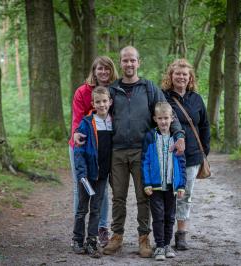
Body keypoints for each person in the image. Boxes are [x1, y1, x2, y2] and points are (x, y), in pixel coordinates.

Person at [76, 46, 185, 257]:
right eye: (125, 61)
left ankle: (144, 238)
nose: (129, 64)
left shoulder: (148, 87)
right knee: (118, 197)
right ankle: (117, 236)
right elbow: (96, 115)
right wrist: (78, 133)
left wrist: (179, 135)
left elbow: (167, 112)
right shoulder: (113, 90)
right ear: (121, 63)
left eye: (132, 60)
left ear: (138, 62)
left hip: (142, 152)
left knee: (144, 195)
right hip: (117, 152)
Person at [68, 56, 118, 247]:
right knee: (80, 189)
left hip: (103, 151)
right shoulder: (82, 91)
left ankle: (100, 229)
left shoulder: (115, 90)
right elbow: (77, 118)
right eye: (100, 69)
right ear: (94, 71)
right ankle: (78, 235)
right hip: (81, 146)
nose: (103, 72)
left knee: (102, 190)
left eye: (107, 69)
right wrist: (76, 135)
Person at [162, 59, 210, 250]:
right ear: (171, 76)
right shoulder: (163, 97)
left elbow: (205, 125)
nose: (181, 77)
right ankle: (164, 233)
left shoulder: (196, 99)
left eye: (185, 74)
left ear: (190, 78)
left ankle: (181, 235)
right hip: (167, 154)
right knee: (167, 194)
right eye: (177, 74)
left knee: (185, 195)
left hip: (191, 157)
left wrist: (203, 152)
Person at [141, 102, 186, 261]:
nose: (163, 122)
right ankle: (159, 246)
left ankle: (167, 245)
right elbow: (145, 162)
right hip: (155, 187)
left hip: (171, 186)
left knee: (170, 216)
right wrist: (146, 183)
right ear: (155, 119)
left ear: (172, 118)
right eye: (160, 118)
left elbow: (181, 164)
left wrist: (181, 185)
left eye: (166, 118)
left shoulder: (177, 138)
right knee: (158, 217)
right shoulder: (150, 137)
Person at [72, 86, 113, 258]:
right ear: (93, 104)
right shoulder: (87, 123)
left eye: (105, 101)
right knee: (82, 208)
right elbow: (79, 151)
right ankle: (77, 239)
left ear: (110, 102)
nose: (102, 104)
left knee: (96, 209)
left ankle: (91, 241)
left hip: (102, 175)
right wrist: (81, 174)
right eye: (98, 102)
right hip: (87, 175)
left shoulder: (113, 122)